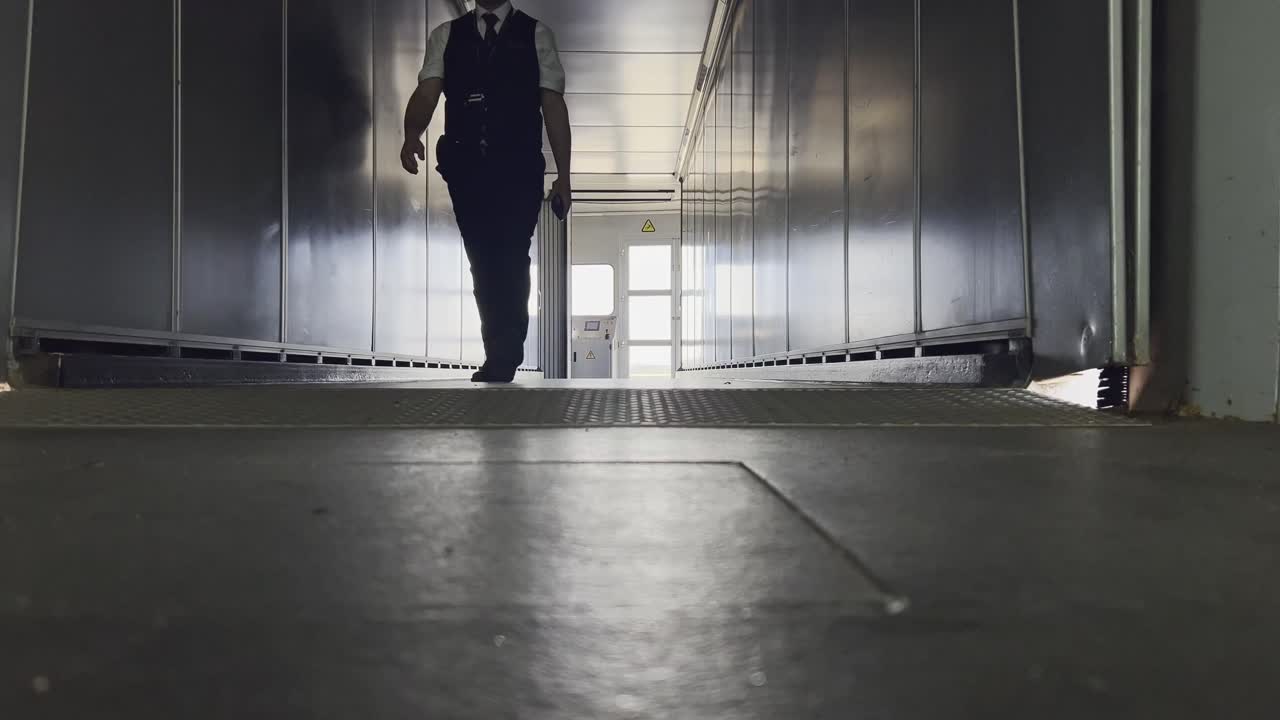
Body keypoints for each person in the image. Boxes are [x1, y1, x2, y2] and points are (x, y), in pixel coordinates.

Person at [400, 0, 572, 384]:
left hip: (519, 170)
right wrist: (412, 133)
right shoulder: (446, 36)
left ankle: (504, 352)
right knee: (483, 258)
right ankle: (499, 348)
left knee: (511, 254)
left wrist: (565, 174)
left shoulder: (537, 34)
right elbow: (428, 92)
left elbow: (552, 104)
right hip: (468, 171)